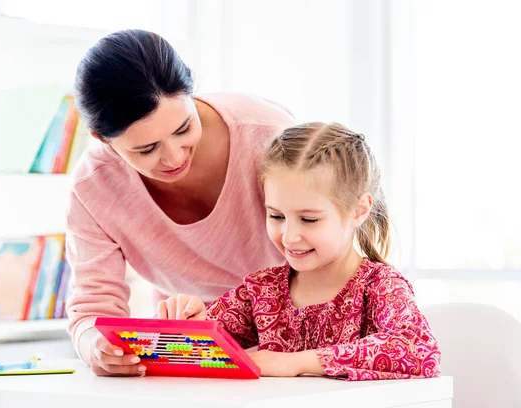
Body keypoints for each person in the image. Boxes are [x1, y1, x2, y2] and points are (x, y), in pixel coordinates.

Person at [65, 29, 296, 376]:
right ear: (102, 140)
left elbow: (334, 245)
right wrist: (96, 347)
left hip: (300, 337)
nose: (174, 158)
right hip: (195, 352)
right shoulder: (93, 186)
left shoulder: (267, 134)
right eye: (146, 149)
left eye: (185, 128)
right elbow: (93, 308)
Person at [158, 122, 441, 380]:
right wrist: (191, 325)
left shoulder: (380, 287)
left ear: (359, 210)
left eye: (309, 219)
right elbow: (193, 353)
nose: (290, 236)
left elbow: (419, 350)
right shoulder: (261, 290)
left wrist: (297, 362)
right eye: (277, 216)